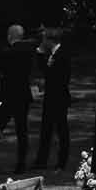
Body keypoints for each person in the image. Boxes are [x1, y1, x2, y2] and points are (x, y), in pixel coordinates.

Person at [0, 24, 35, 176]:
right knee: (22, 131)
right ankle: (21, 165)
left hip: (6, 96)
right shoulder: (28, 53)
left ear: (10, 36)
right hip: (23, 96)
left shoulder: (5, 52)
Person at [34, 26, 72, 172]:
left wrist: (40, 55)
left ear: (50, 40)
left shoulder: (62, 55)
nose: (42, 42)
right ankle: (41, 161)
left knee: (61, 130)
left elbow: (53, 74)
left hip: (59, 98)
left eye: (44, 39)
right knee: (46, 129)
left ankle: (62, 162)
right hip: (51, 97)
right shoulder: (53, 54)